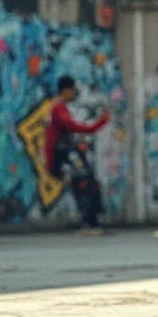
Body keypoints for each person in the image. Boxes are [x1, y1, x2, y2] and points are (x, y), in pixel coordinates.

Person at [45, 75, 111, 235]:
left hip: (63, 155)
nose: (75, 94)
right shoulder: (58, 108)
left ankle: (91, 222)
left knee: (86, 182)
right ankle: (89, 223)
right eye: (73, 90)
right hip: (61, 156)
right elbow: (74, 127)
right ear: (66, 90)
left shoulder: (59, 107)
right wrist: (100, 123)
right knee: (86, 183)